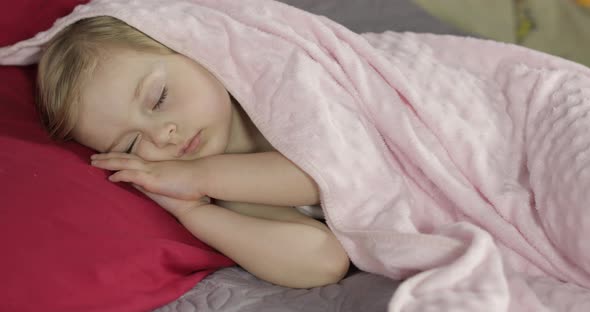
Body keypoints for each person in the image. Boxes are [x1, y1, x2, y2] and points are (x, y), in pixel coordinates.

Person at [36, 16, 350, 289]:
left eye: (159, 98)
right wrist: (194, 213)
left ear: (192, 48)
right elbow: (324, 262)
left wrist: (198, 177)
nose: (162, 135)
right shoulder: (233, 194)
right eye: (131, 145)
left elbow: (325, 171)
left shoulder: (286, 87)